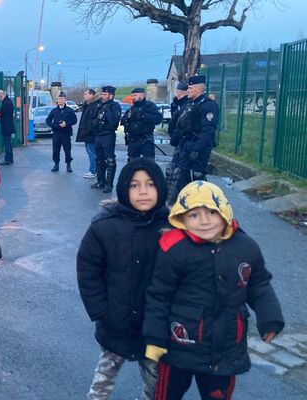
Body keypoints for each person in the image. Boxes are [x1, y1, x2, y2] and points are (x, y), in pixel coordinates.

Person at [143, 180, 284, 400]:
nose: (204, 221)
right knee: (166, 395)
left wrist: (270, 317)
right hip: (178, 346)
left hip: (225, 347)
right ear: (181, 218)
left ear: (225, 212)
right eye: (194, 215)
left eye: (211, 211)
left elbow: (259, 284)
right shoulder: (174, 249)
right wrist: (154, 338)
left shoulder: (246, 247)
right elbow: (158, 296)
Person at [77, 158, 170, 400]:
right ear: (123, 189)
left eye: (150, 185)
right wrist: (101, 311)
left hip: (155, 325)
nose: (142, 192)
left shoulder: (171, 227)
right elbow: (88, 271)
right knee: (104, 377)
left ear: (160, 187)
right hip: (115, 321)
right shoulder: (105, 226)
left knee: (156, 381)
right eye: (134, 185)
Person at [168, 75, 219, 204]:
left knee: (197, 176)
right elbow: (182, 125)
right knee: (179, 173)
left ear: (198, 89)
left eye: (190, 88)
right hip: (186, 143)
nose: (188, 90)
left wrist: (197, 149)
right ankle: (180, 203)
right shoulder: (191, 103)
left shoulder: (208, 106)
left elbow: (207, 131)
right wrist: (176, 141)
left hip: (200, 145)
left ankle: (207, 202)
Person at [90, 86, 121, 193]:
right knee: (99, 159)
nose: (102, 96)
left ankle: (109, 184)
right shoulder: (99, 105)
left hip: (108, 135)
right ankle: (100, 181)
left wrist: (107, 109)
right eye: (102, 94)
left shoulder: (114, 106)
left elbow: (113, 122)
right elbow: (92, 118)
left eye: (105, 94)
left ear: (111, 95)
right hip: (98, 135)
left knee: (110, 160)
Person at [120, 88, 162, 160]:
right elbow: (124, 120)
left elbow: (158, 119)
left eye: (135, 95)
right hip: (133, 140)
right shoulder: (131, 109)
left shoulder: (150, 106)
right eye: (132, 96)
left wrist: (143, 116)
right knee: (132, 164)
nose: (133, 97)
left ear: (142, 95)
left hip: (146, 139)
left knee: (149, 164)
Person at [165, 82, 189, 205]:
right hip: (179, 142)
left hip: (185, 142)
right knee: (171, 171)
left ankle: (177, 200)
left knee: (179, 173)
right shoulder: (178, 104)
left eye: (178, 93)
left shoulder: (187, 105)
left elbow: (181, 126)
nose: (177, 94)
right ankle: (169, 200)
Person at [46, 91, 77, 172]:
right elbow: (48, 121)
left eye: (62, 98)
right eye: (59, 98)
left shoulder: (69, 110)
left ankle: (68, 165)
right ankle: (56, 164)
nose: (60, 100)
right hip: (56, 133)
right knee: (56, 150)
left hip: (66, 133)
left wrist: (66, 124)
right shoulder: (54, 111)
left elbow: (74, 120)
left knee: (67, 150)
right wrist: (55, 126)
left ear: (65, 99)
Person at [75, 88, 99, 179]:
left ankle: (93, 171)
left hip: (91, 134)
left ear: (92, 95)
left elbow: (91, 121)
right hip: (87, 133)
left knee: (92, 153)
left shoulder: (94, 105)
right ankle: (93, 170)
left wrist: (87, 130)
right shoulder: (87, 105)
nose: (84, 96)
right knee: (90, 152)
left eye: (86, 94)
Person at [0, 90, 15, 166]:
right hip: (9, 125)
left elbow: (0, 113)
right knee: (9, 142)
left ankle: (7, 159)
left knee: (7, 143)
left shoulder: (5, 103)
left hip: (6, 126)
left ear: (1, 95)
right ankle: (10, 158)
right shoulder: (9, 101)